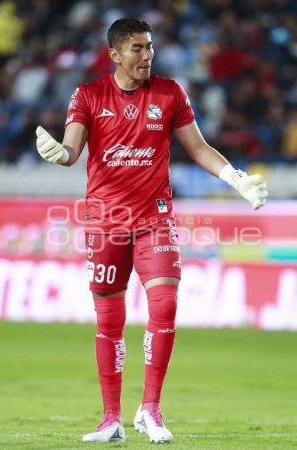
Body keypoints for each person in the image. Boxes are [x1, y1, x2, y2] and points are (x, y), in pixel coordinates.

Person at [35, 18, 268, 444]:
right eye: (139, 48)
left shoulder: (169, 92)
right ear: (116, 54)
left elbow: (198, 148)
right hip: (105, 221)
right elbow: (72, 151)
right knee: (109, 320)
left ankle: (150, 409)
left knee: (164, 306)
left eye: (150, 47)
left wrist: (236, 178)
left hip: (154, 219)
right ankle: (111, 420)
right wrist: (59, 153)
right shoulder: (88, 94)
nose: (148, 55)